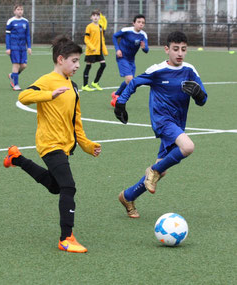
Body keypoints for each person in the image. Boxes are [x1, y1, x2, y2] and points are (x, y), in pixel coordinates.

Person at [3, 35, 101, 253]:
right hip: (49, 143)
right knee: (69, 186)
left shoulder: (74, 87)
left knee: (55, 186)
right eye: (74, 61)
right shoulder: (47, 80)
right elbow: (24, 97)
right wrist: (49, 94)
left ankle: (16, 157)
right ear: (60, 59)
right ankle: (66, 238)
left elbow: (77, 122)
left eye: (78, 61)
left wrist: (87, 145)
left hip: (64, 146)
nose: (77, 65)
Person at [114, 31, 208, 218]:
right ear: (167, 49)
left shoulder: (190, 70)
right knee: (188, 146)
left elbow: (202, 100)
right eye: (175, 49)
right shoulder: (157, 70)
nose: (179, 53)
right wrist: (120, 103)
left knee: (162, 169)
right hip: (162, 120)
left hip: (178, 123)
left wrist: (199, 94)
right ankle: (153, 171)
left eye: (183, 49)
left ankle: (128, 196)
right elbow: (133, 83)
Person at [111, 14, 149, 107]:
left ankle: (116, 94)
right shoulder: (126, 30)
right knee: (129, 79)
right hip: (122, 57)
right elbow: (114, 36)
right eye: (139, 22)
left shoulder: (143, 35)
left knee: (130, 82)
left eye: (143, 23)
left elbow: (146, 50)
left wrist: (144, 48)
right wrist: (117, 49)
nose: (141, 24)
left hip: (131, 60)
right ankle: (118, 100)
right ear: (134, 23)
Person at [6, 3, 32, 91]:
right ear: (14, 11)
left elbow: (27, 35)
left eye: (21, 9)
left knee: (24, 65)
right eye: (18, 9)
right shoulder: (10, 21)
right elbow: (7, 36)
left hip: (22, 48)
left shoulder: (25, 21)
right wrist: (8, 48)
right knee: (16, 65)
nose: (20, 11)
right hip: (14, 47)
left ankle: (12, 75)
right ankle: (15, 85)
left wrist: (29, 47)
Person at [82, 9, 108, 92]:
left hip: (99, 51)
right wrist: (92, 47)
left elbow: (102, 39)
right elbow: (86, 39)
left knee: (103, 65)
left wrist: (104, 50)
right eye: (94, 16)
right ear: (91, 17)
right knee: (88, 66)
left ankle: (95, 82)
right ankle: (85, 85)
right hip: (91, 51)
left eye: (97, 16)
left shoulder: (100, 27)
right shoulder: (89, 26)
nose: (95, 17)